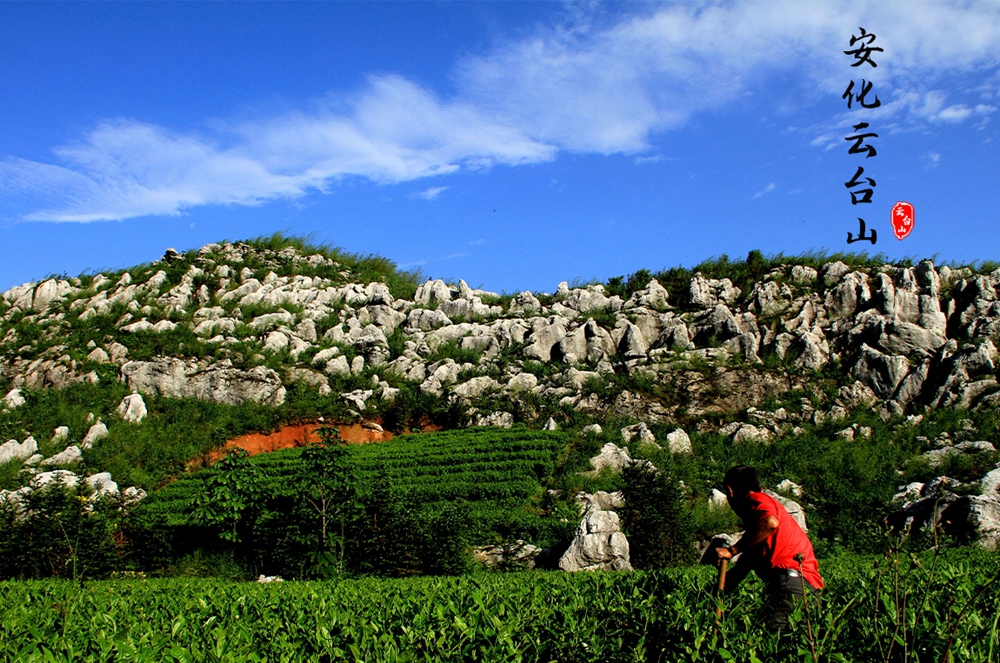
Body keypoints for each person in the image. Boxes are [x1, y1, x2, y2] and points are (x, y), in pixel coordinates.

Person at [713, 465, 824, 629]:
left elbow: (770, 523)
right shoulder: (756, 535)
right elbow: (742, 568)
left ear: (730, 492)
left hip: (791, 586)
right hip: (808, 590)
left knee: (765, 643)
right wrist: (712, 595)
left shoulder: (758, 500)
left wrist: (731, 550)